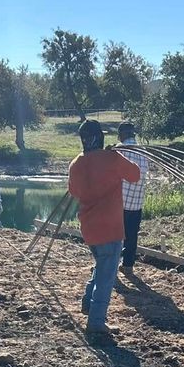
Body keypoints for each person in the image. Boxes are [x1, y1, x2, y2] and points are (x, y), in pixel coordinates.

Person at [68, 120, 141, 341]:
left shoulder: (76, 163)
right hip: (110, 228)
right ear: (100, 137)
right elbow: (135, 175)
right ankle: (96, 322)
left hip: (89, 229)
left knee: (101, 265)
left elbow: (73, 191)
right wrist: (113, 156)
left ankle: (88, 305)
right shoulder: (112, 158)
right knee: (107, 277)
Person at [116, 121, 149, 276]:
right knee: (131, 235)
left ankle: (111, 265)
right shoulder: (144, 152)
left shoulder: (119, 151)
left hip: (119, 202)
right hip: (136, 202)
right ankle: (128, 265)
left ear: (122, 134)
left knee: (114, 235)